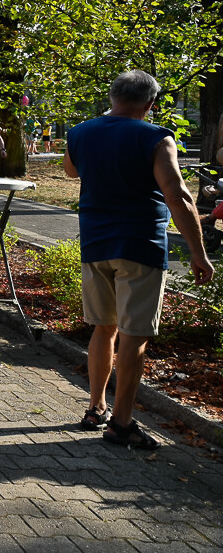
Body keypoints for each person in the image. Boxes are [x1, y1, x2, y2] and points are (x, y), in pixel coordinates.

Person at [65, 70, 213, 449]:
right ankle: (121, 423)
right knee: (134, 336)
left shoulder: (79, 133)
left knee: (103, 328)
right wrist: (198, 252)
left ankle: (96, 407)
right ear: (150, 103)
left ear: (112, 97)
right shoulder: (156, 137)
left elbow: (72, 170)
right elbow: (177, 195)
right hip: (140, 246)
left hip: (95, 244)